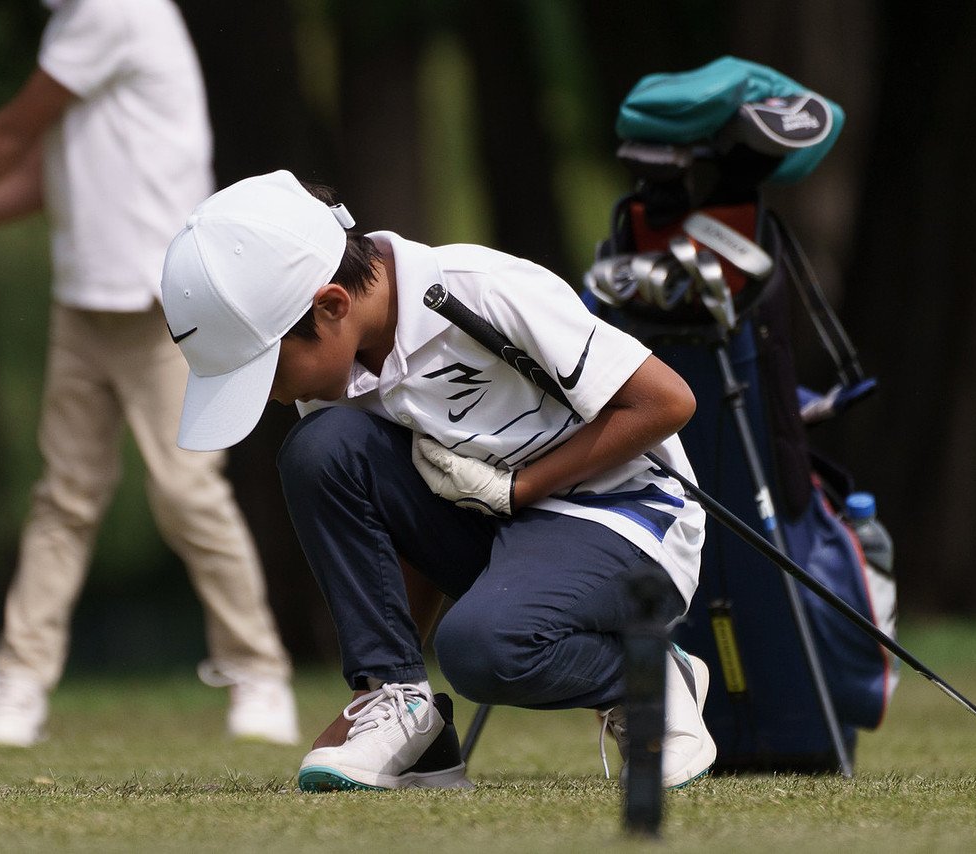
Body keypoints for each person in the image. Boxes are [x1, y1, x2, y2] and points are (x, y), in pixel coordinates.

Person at [157, 169, 718, 791]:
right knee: (320, 448)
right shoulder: (335, 375)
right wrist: (391, 677)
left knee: (481, 651)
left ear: (332, 305)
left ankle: (655, 682)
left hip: (627, 519)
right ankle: (405, 718)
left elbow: (666, 402)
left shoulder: (481, 289)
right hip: (502, 530)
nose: (272, 395)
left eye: (268, 369)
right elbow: (397, 536)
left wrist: (519, 488)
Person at [0, 0, 297, 747]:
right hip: (84, 304)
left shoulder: (114, 9)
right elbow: (44, 179)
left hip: (161, 304)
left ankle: (259, 670)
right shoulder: (71, 23)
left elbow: (12, 128)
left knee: (185, 491)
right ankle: (20, 679)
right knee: (66, 496)